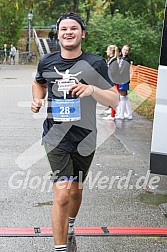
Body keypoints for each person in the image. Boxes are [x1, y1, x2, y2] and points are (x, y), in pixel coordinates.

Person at [31, 12, 119, 252]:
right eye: (63, 29)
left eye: (73, 28)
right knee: (62, 194)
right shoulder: (47, 62)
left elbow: (114, 100)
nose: (68, 32)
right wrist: (37, 100)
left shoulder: (96, 63)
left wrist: (92, 90)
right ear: (58, 35)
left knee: (76, 190)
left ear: (82, 34)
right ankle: (60, 248)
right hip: (55, 137)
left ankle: (70, 224)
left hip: (85, 139)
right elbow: (38, 83)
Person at [115, 44, 133, 120]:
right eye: (124, 49)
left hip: (124, 79)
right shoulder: (121, 58)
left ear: (128, 52)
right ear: (121, 50)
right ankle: (128, 113)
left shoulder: (126, 60)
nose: (125, 51)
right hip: (121, 79)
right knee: (124, 97)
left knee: (123, 96)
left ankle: (122, 114)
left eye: (127, 50)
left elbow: (122, 70)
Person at [103, 44, 120, 120]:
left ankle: (112, 115)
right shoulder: (111, 59)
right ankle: (111, 111)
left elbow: (112, 71)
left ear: (111, 51)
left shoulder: (114, 60)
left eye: (107, 50)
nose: (106, 51)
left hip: (114, 81)